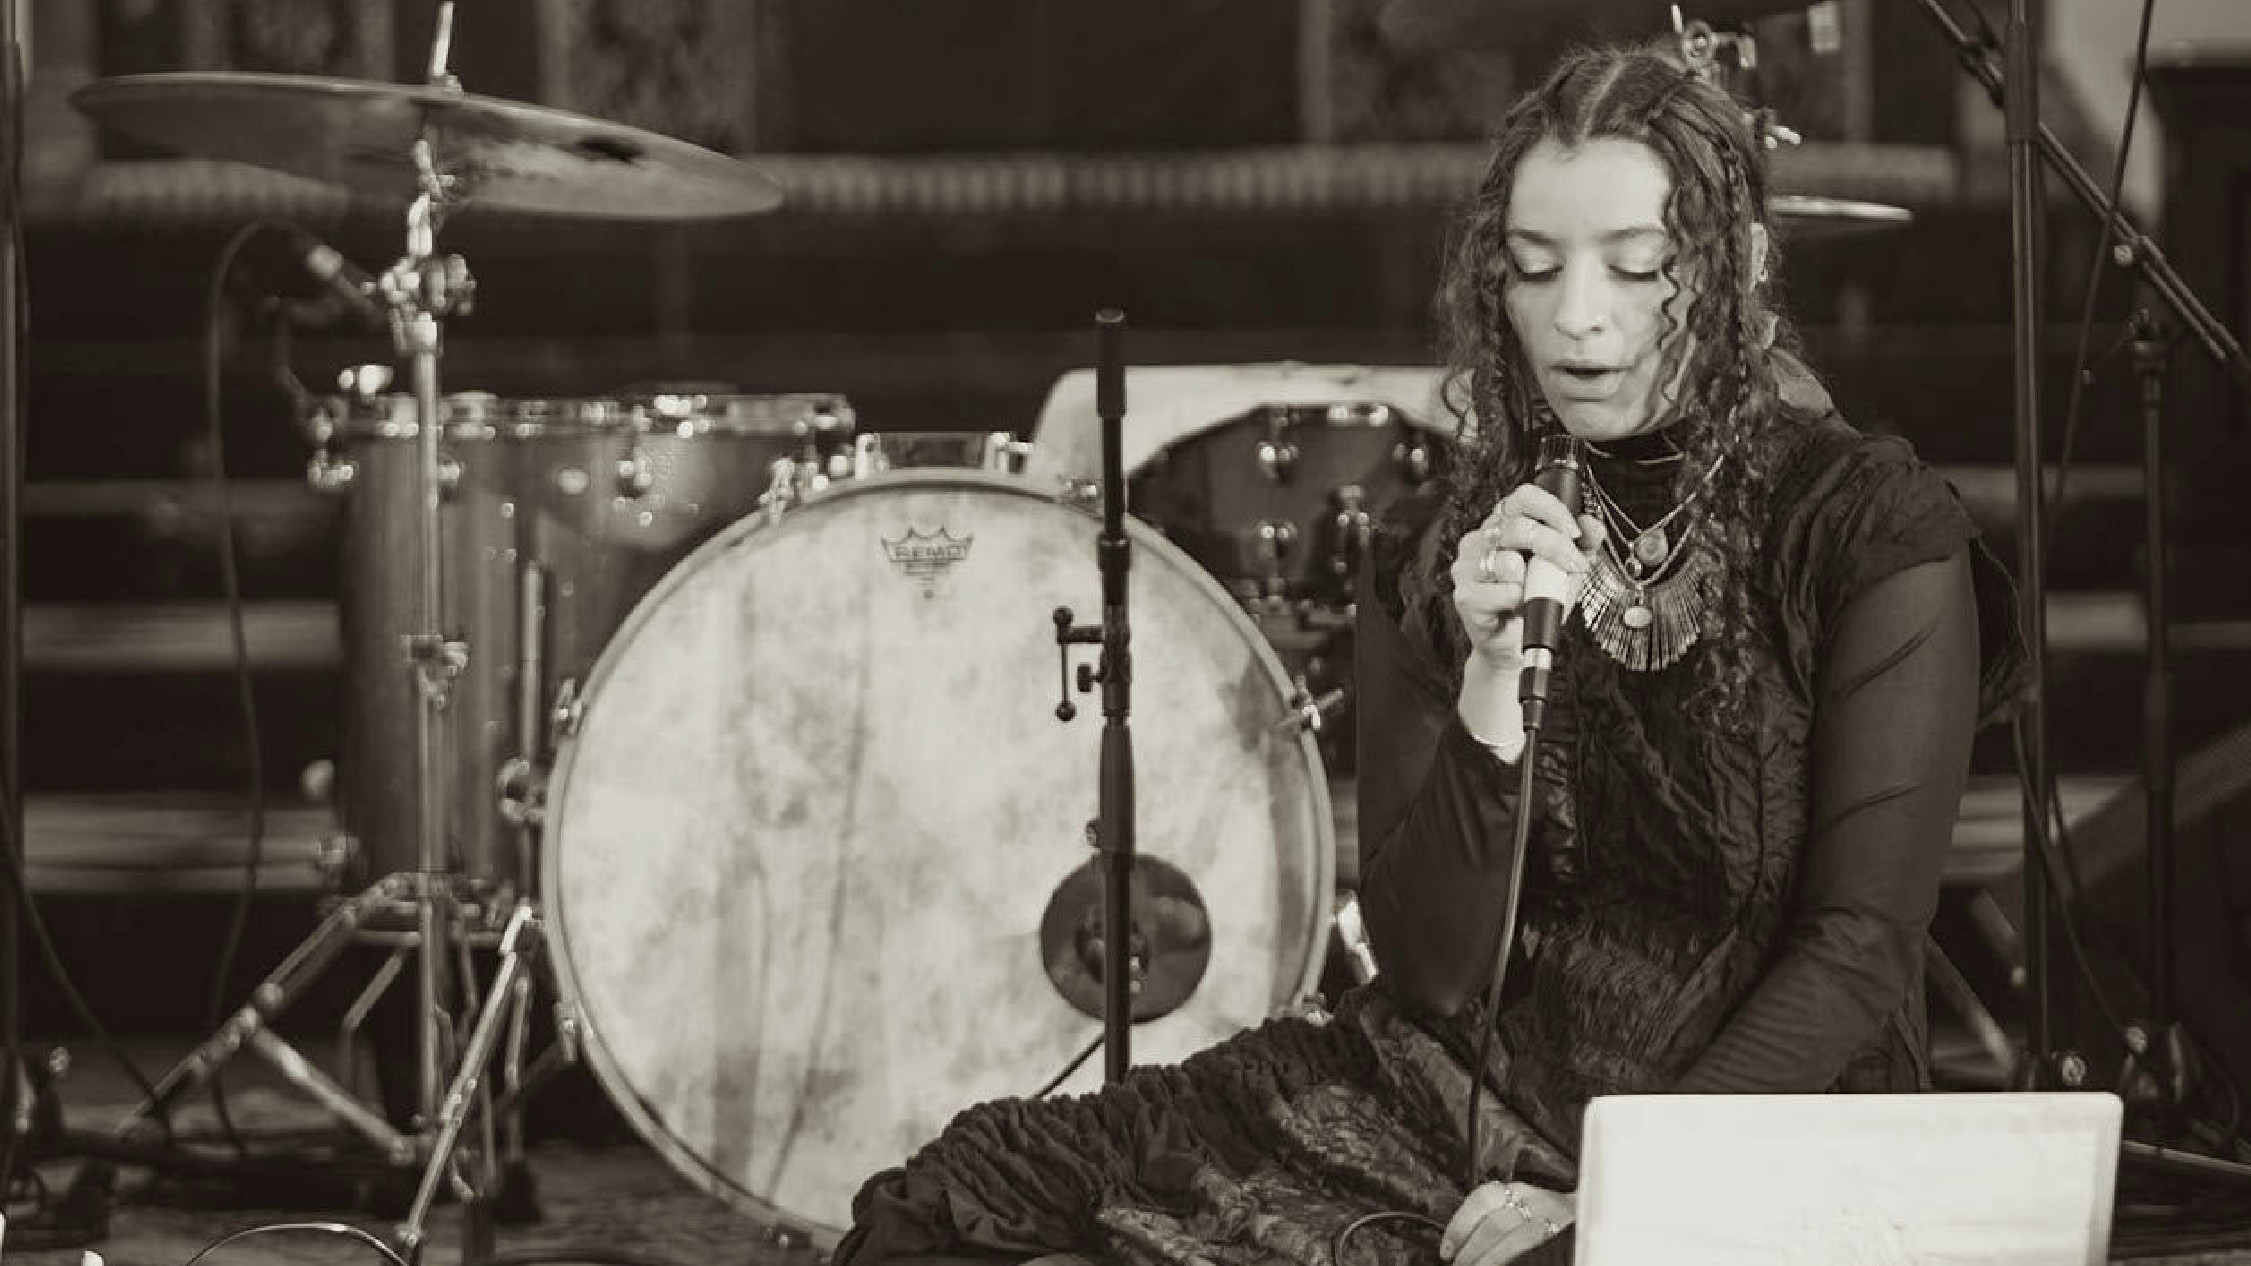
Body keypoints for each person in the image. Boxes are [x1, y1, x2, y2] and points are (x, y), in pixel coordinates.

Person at [836, 40, 2025, 1266]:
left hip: (1750, 1122)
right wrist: (1491, 685)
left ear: (1738, 267)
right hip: (1447, 1094)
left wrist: (1622, 1196)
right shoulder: (1439, 546)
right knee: (946, 1205)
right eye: (1532, 268)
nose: (1578, 317)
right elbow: (1429, 972)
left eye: (1637, 267)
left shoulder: (1862, 529)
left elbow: (1857, 948)